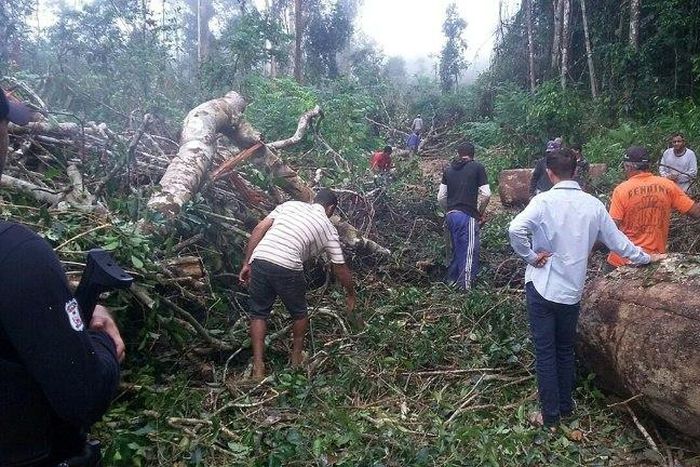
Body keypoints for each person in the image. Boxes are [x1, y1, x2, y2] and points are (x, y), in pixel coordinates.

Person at [0, 89, 124, 466]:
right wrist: (101, 343)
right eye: (7, 125)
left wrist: (61, 312)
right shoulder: (17, 256)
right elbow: (81, 396)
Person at [508, 148, 662, 428]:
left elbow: (515, 229)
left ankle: (550, 416)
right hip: (571, 291)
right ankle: (565, 408)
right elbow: (619, 243)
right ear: (576, 171)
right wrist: (646, 258)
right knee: (565, 349)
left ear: (550, 173)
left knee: (546, 352)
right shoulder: (593, 205)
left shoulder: (542, 201)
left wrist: (531, 256)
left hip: (542, 286)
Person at [238, 189, 358, 380]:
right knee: (300, 314)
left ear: (313, 200)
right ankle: (296, 359)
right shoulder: (328, 229)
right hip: (288, 264)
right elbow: (340, 268)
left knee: (258, 313)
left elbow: (259, 229)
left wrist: (247, 263)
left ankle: (258, 367)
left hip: (261, 257)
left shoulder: (289, 206)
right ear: (331, 208)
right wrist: (351, 294)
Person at [607, 146, 700, 268]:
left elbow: (611, 229)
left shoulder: (621, 190)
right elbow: (696, 212)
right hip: (654, 260)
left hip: (623, 261)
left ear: (628, 166)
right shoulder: (667, 185)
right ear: (649, 166)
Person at [437, 142, 491, 290]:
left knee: (456, 250)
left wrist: (449, 209)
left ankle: (451, 282)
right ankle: (466, 289)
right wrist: (479, 213)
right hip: (466, 216)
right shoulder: (477, 167)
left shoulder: (448, 170)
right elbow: (486, 194)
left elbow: (441, 196)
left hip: (450, 216)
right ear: (473, 154)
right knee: (468, 251)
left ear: (458, 153)